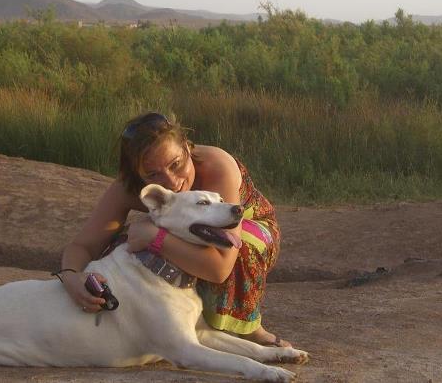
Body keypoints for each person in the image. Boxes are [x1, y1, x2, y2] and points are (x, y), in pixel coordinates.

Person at [57, 112, 289, 347]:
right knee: (124, 244)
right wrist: (71, 277)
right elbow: (84, 245)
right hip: (184, 233)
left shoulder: (217, 167)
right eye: (153, 175)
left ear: (188, 148)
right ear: (137, 174)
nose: (170, 181)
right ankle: (148, 318)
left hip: (242, 227)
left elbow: (220, 268)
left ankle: (247, 329)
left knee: (241, 245)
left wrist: (155, 238)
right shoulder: (129, 188)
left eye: (176, 164)